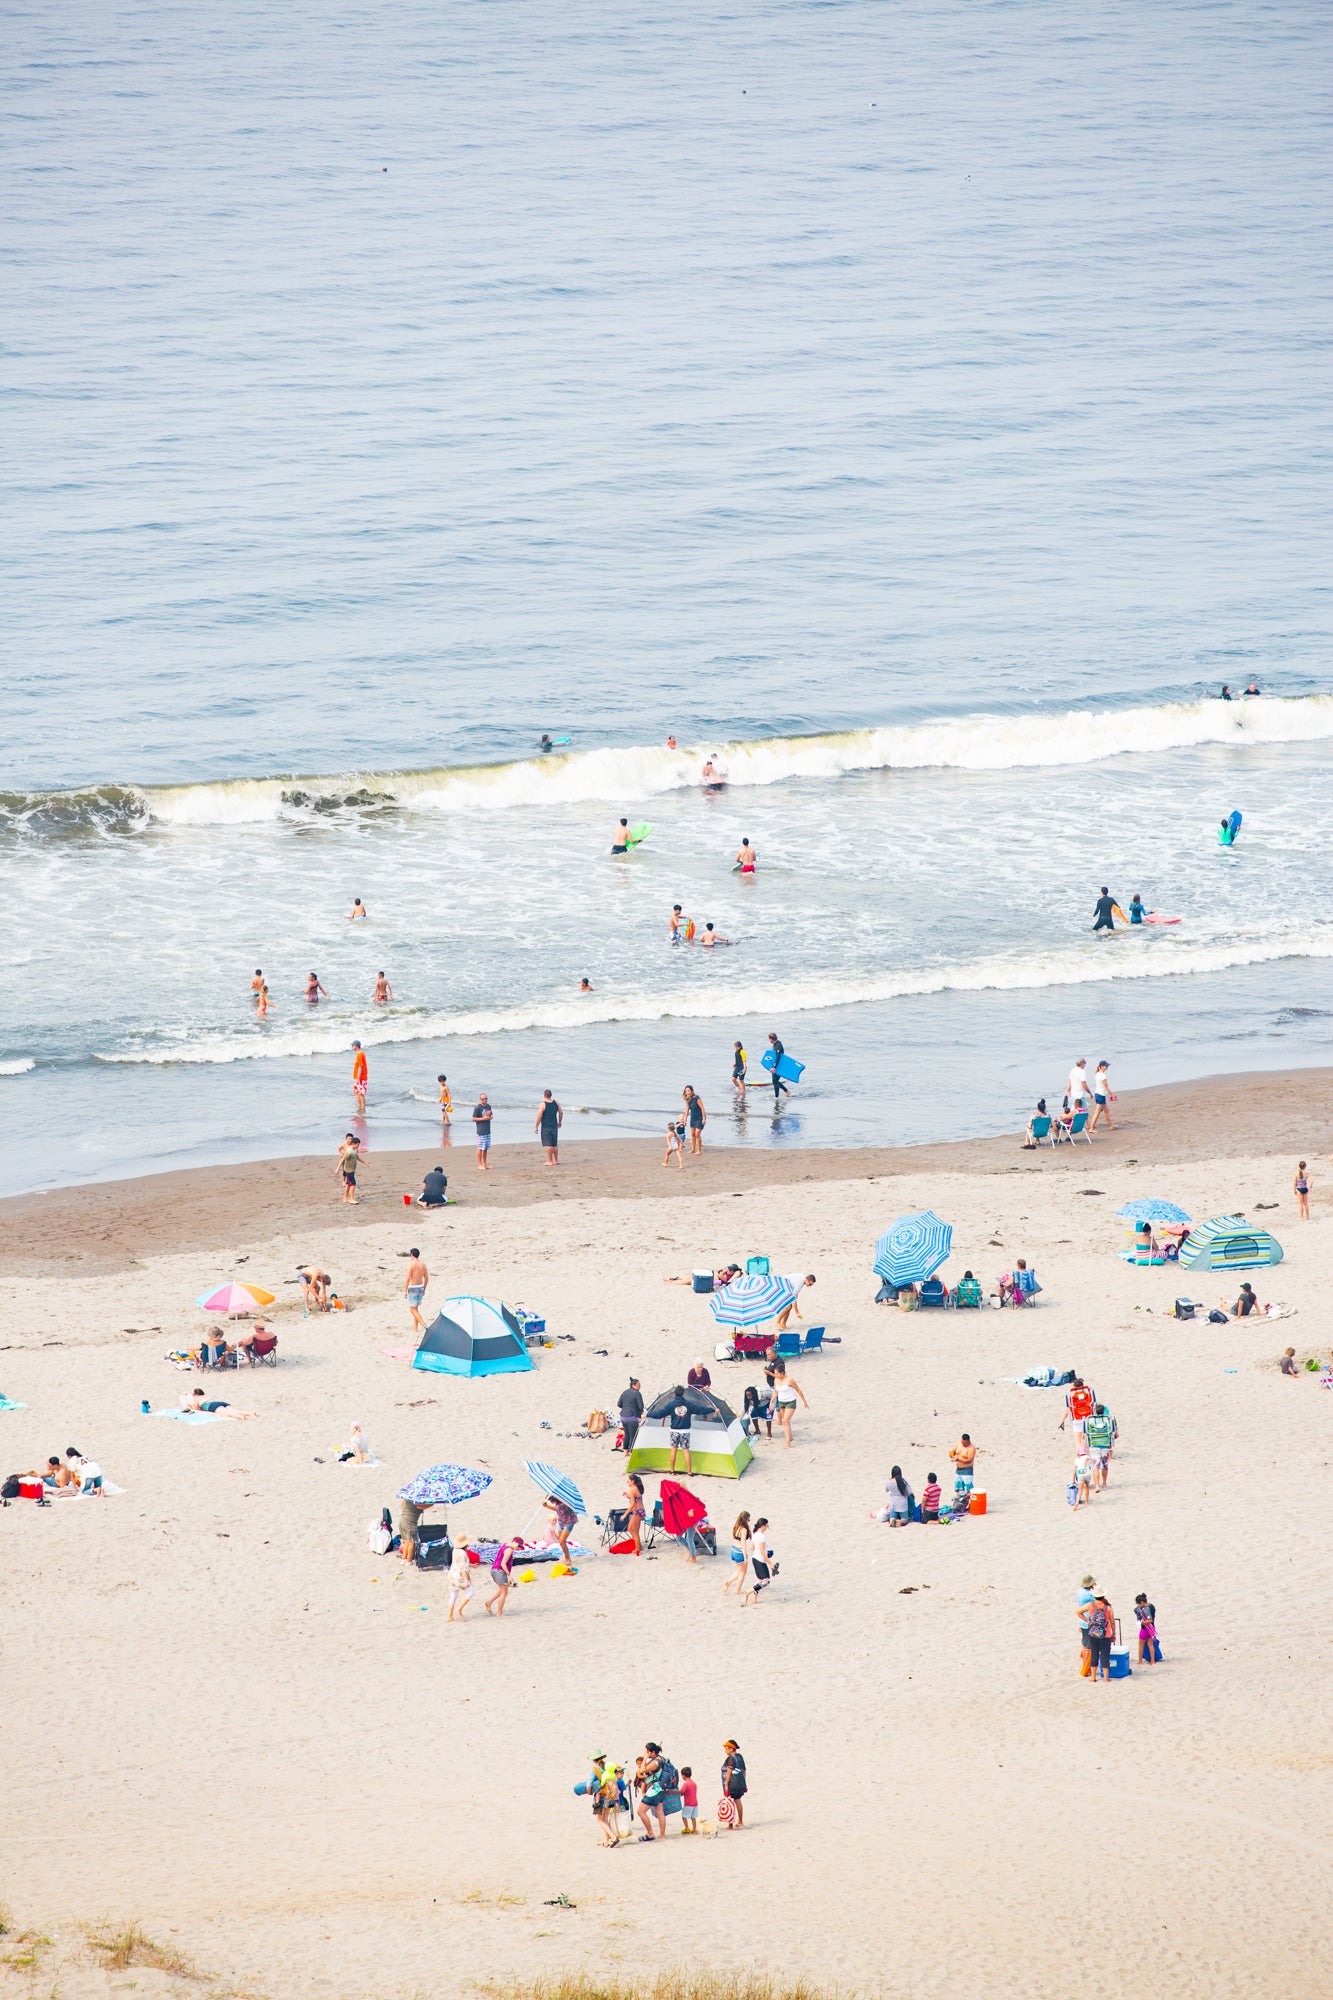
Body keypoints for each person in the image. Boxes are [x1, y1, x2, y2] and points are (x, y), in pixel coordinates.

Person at [635, 1745, 670, 1841]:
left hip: (655, 1790)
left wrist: (645, 1758)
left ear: (653, 1752)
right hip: (661, 1789)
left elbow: (642, 1770)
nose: (645, 1753)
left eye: (647, 1751)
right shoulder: (661, 1759)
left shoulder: (655, 1762)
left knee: (640, 1811)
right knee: (660, 1812)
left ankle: (650, 1833)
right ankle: (662, 1835)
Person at [770, 1363, 808, 1448]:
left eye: (777, 1373)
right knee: (785, 1420)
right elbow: (776, 1391)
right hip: (781, 1402)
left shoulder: (789, 1380)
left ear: (782, 1373)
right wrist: (771, 1401)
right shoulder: (776, 1380)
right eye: (775, 1373)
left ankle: (788, 1442)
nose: (775, 1375)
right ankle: (790, 1437)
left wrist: (804, 1401)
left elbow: (798, 1390)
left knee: (785, 1421)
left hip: (790, 1401)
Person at [1080, 1590, 1115, 1681]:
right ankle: (1106, 1678)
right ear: (1103, 1596)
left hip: (1093, 1633)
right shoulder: (1108, 1607)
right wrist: (1113, 1634)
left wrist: (1088, 1621)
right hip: (1105, 1634)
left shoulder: (1090, 1605)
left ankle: (1093, 1678)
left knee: (1094, 1655)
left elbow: (1078, 1612)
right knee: (1105, 1656)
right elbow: (1112, 1622)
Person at [1085, 1403, 1115, 1488]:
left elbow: (1086, 1433)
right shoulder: (1107, 1420)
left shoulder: (1090, 1420)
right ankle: (1104, 1483)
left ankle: (1097, 1486)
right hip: (1105, 1444)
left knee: (1095, 1466)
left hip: (1094, 1444)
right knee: (1105, 1465)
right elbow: (1111, 1433)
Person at [745, 1518, 775, 1604]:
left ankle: (754, 1599)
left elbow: (751, 1548)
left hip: (755, 1558)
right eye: (766, 1525)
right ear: (763, 1526)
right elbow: (762, 1551)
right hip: (760, 1560)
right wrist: (770, 1563)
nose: (767, 1527)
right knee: (766, 1581)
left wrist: (764, 1552)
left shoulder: (755, 1534)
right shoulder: (761, 1536)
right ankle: (749, 1591)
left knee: (759, 1579)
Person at [723, 1511, 752, 1596]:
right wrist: (745, 1557)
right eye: (749, 1519)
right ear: (746, 1519)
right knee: (743, 1572)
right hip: (739, 1551)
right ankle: (737, 1590)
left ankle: (728, 1583)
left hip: (733, 1549)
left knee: (739, 1571)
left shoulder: (737, 1527)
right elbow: (743, 1543)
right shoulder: (743, 1530)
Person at [484, 1539, 516, 1615]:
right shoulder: (509, 1550)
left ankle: (489, 1603)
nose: (519, 1548)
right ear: (514, 1542)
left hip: (495, 1570)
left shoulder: (505, 1545)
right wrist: (509, 1575)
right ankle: (499, 1613)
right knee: (504, 1593)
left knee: (502, 1590)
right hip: (499, 1571)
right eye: (518, 1546)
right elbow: (503, 1564)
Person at [667, 1385, 693, 1475]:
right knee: (686, 1451)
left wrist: (648, 1415)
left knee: (673, 1450)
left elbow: (660, 1413)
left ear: (675, 1393)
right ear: (683, 1394)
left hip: (674, 1430)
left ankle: (672, 1471)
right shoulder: (688, 1404)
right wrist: (712, 1409)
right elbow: (700, 1409)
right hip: (685, 1431)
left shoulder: (671, 1404)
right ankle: (689, 1472)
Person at [446, 1539, 474, 1621]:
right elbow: (463, 1568)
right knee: (471, 1592)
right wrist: (466, 1580)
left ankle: (450, 1616)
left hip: (452, 1574)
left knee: (453, 1595)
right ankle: (459, 1609)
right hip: (459, 1576)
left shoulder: (455, 1550)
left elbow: (458, 1562)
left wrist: (471, 1565)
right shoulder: (463, 1553)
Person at [543, 1494, 576, 1562]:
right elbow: (547, 1497)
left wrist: (546, 1506)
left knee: (561, 1541)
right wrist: (547, 1496)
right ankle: (566, 1555)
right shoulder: (556, 1498)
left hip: (569, 1522)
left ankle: (567, 1558)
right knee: (561, 1542)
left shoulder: (564, 1502)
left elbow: (558, 1509)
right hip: (561, 1522)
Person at [721, 1741, 747, 1827]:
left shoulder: (731, 1758)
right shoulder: (740, 1757)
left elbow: (729, 1771)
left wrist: (726, 1785)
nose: (725, 1750)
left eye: (727, 1748)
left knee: (729, 1802)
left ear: (732, 1749)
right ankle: (740, 1821)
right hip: (740, 1782)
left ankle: (730, 1824)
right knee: (738, 1800)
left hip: (732, 1783)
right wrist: (744, 1782)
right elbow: (744, 1770)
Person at [404, 1249, 428, 1334]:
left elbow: (407, 1278)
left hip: (413, 1288)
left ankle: (424, 1325)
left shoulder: (410, 1264)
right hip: (420, 1287)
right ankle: (415, 1328)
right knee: (416, 1309)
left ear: (412, 1255)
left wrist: (405, 1291)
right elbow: (426, 1279)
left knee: (412, 1310)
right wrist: (424, 1289)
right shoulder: (423, 1265)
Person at [535, 1089, 562, 1165]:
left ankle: (550, 1161)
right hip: (554, 1126)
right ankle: (556, 1160)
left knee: (549, 1144)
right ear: (551, 1095)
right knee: (554, 1144)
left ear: (544, 1095)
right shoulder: (556, 1103)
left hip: (546, 1127)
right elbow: (561, 1112)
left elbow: (539, 1116)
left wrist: (536, 1126)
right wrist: (560, 1121)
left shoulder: (542, 1104)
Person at [617, 1378, 643, 1455]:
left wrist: (625, 1408)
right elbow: (641, 1406)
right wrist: (639, 1414)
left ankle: (625, 1452)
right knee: (633, 1435)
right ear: (633, 1385)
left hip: (623, 1417)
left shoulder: (625, 1392)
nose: (639, 1386)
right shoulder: (637, 1393)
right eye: (638, 1385)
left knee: (627, 1434)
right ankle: (632, 1452)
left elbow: (619, 1404)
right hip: (632, 1417)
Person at [949, 1434, 978, 1500]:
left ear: (968, 1441)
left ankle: (971, 1501)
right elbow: (953, 1451)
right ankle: (960, 1502)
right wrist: (952, 1455)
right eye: (962, 1442)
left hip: (967, 1469)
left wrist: (958, 1459)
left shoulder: (971, 1448)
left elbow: (969, 1460)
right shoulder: (959, 1444)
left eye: (964, 1443)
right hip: (958, 1469)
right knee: (958, 1487)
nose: (962, 1444)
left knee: (968, 1487)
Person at [1089, 1060, 1115, 1131]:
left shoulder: (1097, 1074)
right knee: (1097, 1112)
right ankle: (1091, 1128)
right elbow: (1106, 1087)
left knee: (1106, 1110)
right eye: (1106, 1066)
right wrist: (1112, 1095)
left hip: (1098, 1094)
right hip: (1100, 1095)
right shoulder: (1103, 1075)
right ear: (1102, 1066)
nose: (1107, 1067)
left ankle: (1111, 1125)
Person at [624, 1473, 646, 1555]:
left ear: (632, 1481)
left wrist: (625, 1514)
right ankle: (639, 1546)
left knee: (634, 1531)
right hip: (640, 1511)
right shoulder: (637, 1488)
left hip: (637, 1512)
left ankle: (638, 1549)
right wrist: (628, 1496)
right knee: (631, 1529)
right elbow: (637, 1499)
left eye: (628, 1481)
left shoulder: (632, 1490)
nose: (627, 1482)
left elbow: (632, 1504)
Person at [1135, 1593, 1160, 1664]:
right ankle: (1152, 1661)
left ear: (1142, 1602)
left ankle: (1140, 1661)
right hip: (1152, 1629)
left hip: (1144, 1630)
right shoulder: (1151, 1606)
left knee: (1141, 1646)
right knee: (1151, 1645)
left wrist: (1141, 1623)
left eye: (1139, 1604)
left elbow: (1149, 1620)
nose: (1139, 1606)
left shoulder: (1145, 1609)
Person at [335, 1134, 360, 1204]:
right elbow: (342, 1160)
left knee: (348, 1184)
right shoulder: (349, 1151)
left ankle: (345, 1198)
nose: (358, 1146)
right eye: (357, 1144)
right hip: (348, 1170)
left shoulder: (354, 1149)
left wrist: (365, 1162)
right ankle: (352, 1199)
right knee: (353, 1184)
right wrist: (337, 1169)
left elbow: (357, 1157)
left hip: (352, 1169)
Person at [766, 1031, 790, 1103]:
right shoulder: (776, 1044)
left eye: (769, 1039)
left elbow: (778, 1057)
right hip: (778, 1065)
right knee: (775, 1081)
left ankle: (777, 1097)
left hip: (778, 1066)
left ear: (771, 1039)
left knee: (775, 1081)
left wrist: (774, 1067)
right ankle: (786, 1092)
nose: (769, 1041)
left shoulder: (778, 1045)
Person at [473, 1092, 493, 1169]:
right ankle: (479, 1164)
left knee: (485, 1148)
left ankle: (484, 1164)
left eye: (486, 1099)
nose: (485, 1100)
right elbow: (473, 1118)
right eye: (483, 1099)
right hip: (481, 1131)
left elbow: (489, 1116)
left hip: (487, 1130)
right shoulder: (477, 1108)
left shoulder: (488, 1106)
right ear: (480, 1099)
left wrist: (490, 1117)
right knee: (480, 1148)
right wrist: (483, 1118)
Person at [683, 1086, 705, 1155]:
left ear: (692, 1091)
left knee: (697, 1134)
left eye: (688, 1091)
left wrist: (704, 1118)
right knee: (692, 1134)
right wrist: (685, 1119)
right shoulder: (687, 1099)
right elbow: (687, 1109)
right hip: (693, 1118)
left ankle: (699, 1150)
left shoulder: (697, 1098)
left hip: (700, 1117)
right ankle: (692, 1149)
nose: (687, 1092)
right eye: (686, 1091)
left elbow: (702, 1108)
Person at [679, 1767, 699, 1834]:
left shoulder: (686, 1784)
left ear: (683, 1775)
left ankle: (687, 1828)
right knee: (693, 1817)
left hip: (688, 1804)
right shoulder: (694, 1783)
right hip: (695, 1804)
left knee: (684, 1816)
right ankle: (694, 1829)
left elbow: (682, 1792)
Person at [351, 1042, 368, 1111]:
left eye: (352, 1045)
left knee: (360, 1093)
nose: (352, 1046)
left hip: (361, 1078)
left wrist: (358, 1078)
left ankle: (362, 1107)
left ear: (356, 1046)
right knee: (356, 1092)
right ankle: (359, 1105)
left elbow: (361, 1067)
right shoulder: (359, 1054)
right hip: (358, 1077)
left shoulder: (360, 1054)